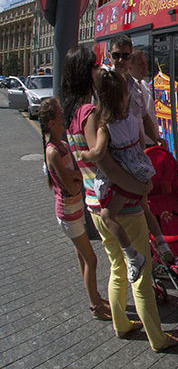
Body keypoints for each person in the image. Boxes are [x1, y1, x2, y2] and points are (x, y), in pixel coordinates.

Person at [61, 45, 178, 352]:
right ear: (84, 73)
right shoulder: (93, 115)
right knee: (141, 276)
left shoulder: (72, 113)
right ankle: (158, 338)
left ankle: (122, 324)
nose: (98, 70)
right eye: (93, 67)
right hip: (120, 201)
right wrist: (140, 189)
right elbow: (108, 164)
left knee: (118, 267)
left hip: (94, 201)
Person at [81, 68, 174, 282]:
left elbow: (98, 153)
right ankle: (162, 242)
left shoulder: (105, 128)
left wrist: (85, 155)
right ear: (124, 97)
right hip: (142, 169)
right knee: (145, 207)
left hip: (125, 179)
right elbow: (141, 143)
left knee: (107, 216)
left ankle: (133, 256)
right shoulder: (132, 118)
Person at [38, 97, 111, 321]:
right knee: (92, 259)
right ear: (51, 122)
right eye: (59, 114)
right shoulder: (52, 152)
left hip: (75, 208)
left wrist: (76, 177)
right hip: (68, 212)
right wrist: (76, 177)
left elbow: (76, 175)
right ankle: (95, 306)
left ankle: (95, 297)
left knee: (82, 256)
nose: (63, 116)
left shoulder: (62, 145)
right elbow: (71, 184)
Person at [109, 36, 164, 148]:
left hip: (138, 152)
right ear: (109, 55)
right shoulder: (104, 83)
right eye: (116, 55)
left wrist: (156, 140)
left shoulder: (135, 85)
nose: (121, 60)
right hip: (117, 153)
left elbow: (144, 118)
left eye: (125, 56)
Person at [129, 49, 159, 148]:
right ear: (130, 67)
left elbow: (149, 115)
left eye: (145, 63)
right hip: (139, 144)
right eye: (140, 64)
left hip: (151, 142)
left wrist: (156, 139)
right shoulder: (128, 88)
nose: (145, 67)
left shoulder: (145, 85)